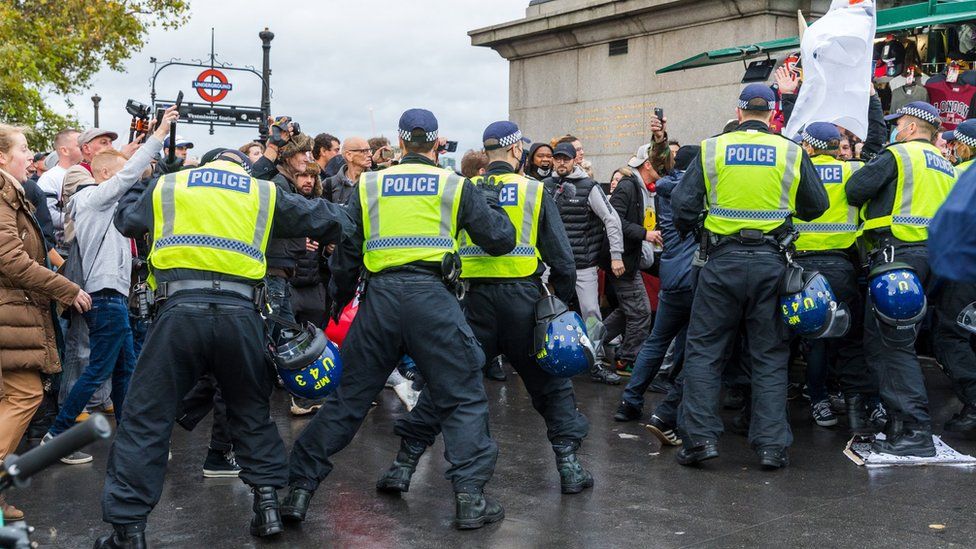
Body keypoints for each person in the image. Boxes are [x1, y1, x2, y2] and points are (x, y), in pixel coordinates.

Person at [96, 145, 348, 547]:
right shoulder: (261, 192)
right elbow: (331, 221)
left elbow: (126, 220)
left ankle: (128, 531)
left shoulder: (169, 184)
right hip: (241, 317)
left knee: (146, 418)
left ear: (208, 162)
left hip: (178, 314)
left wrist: (151, 175)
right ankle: (266, 508)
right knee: (250, 411)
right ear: (244, 168)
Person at [281, 109, 516, 531]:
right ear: (437, 143)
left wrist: (340, 302)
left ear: (401, 142)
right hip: (433, 300)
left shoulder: (370, 183)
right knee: (462, 396)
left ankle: (298, 490)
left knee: (348, 401)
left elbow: (348, 252)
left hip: (380, 302)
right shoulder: (454, 184)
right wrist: (490, 200)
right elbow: (500, 240)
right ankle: (469, 498)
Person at [375, 120, 592, 500]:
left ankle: (402, 467)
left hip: (470, 304)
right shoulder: (534, 191)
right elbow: (563, 260)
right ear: (514, 151)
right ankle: (569, 467)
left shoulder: (463, 189)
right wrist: (561, 304)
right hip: (525, 304)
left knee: (448, 384)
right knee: (551, 386)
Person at [671, 83, 828, 469]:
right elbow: (816, 206)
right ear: (773, 113)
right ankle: (772, 446)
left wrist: (703, 231)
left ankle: (700, 441)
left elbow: (683, 205)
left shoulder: (712, 148)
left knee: (705, 351)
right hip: (771, 264)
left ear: (739, 112)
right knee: (770, 354)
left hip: (719, 262)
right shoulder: (790, 151)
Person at [43, 110, 178, 462]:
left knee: (123, 371)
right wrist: (160, 132)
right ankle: (55, 437)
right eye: (118, 174)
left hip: (112, 298)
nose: (126, 181)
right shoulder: (93, 199)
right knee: (100, 370)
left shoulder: (104, 205)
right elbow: (132, 173)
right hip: (106, 298)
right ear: (104, 175)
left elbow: (136, 175)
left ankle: (132, 442)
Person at [846, 101, 958, 456]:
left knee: (892, 346)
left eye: (899, 125)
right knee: (888, 343)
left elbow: (856, 189)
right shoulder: (948, 166)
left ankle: (914, 431)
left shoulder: (900, 155)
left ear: (909, 128)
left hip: (898, 257)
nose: (896, 130)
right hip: (932, 262)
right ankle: (899, 424)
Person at [0, 123, 91, 522]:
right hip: (9, 312)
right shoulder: (2, 196)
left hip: (14, 313)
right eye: (22, 149)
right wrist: (65, 288)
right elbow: (11, 261)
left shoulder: (11, 194)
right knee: (25, 395)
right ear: (2, 156)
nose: (29, 155)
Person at [793, 122, 881, 434]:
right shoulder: (853, 171)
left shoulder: (796, 170)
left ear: (809, 147)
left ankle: (818, 400)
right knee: (848, 339)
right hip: (841, 266)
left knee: (814, 340)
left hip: (799, 269)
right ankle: (858, 406)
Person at [614, 145, 700, 433]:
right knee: (688, 347)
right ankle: (673, 407)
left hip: (671, 278)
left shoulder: (663, 191)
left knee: (656, 342)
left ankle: (630, 401)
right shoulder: (697, 194)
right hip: (695, 279)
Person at [545, 141, 624, 384]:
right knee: (543, 312)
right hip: (551, 263)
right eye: (557, 158)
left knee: (591, 312)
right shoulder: (545, 186)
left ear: (574, 160)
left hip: (583, 264)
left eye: (565, 158)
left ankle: (596, 362)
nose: (560, 162)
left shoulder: (588, 186)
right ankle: (545, 358)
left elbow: (612, 219)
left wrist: (616, 255)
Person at [601, 133, 671, 376]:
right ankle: (625, 360)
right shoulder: (628, 186)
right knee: (640, 312)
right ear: (647, 164)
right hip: (621, 261)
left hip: (628, 259)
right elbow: (615, 221)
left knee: (628, 310)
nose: (664, 168)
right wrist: (645, 234)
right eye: (658, 163)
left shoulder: (642, 187)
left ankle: (589, 344)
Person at [291, 163, 331, 328]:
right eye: (303, 175)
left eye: (313, 176)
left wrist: (328, 249)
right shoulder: (283, 200)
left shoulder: (321, 205)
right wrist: (296, 243)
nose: (309, 181)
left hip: (315, 285)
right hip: (288, 285)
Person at [36, 128, 81, 250]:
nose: (84, 147)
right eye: (79, 144)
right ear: (64, 150)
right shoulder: (50, 177)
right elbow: (48, 215)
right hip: (63, 250)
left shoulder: (86, 172)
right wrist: (85, 221)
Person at [323, 136, 372, 205]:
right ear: (349, 155)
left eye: (370, 150)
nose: (370, 154)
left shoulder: (375, 181)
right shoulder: (329, 184)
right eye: (364, 151)